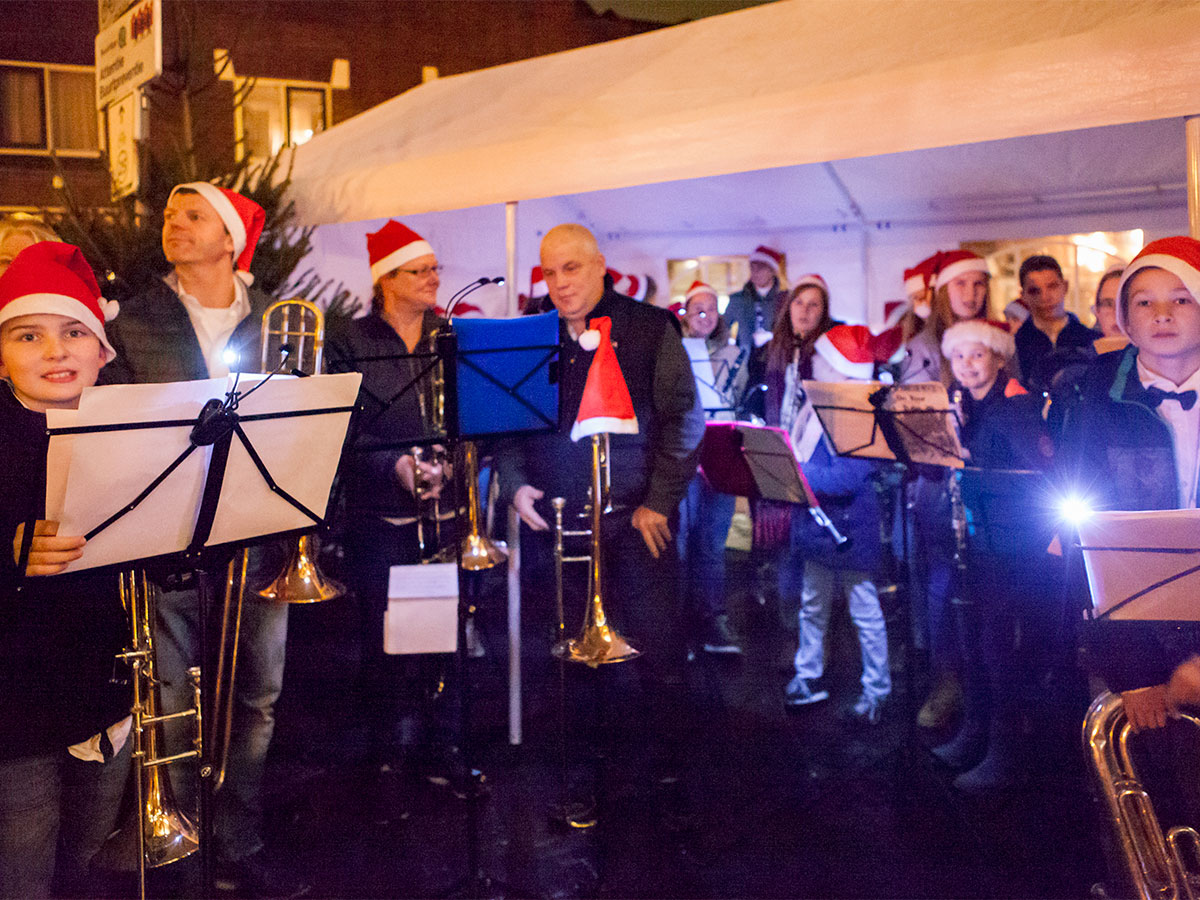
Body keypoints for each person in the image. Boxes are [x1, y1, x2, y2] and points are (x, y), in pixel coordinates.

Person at [98, 182, 298, 895]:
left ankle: (238, 836)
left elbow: (310, 421)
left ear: (229, 239)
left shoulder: (281, 319)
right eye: (169, 215)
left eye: (192, 217)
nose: (172, 226)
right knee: (172, 692)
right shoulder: (134, 320)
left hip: (260, 539)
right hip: (170, 540)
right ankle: (177, 834)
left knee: (257, 697)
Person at [498, 223, 703, 810]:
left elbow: (686, 422)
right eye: (550, 271)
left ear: (599, 266)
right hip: (558, 525)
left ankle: (666, 780)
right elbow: (509, 425)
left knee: (656, 651)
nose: (560, 283)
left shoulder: (648, 326)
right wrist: (514, 487)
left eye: (573, 268)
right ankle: (585, 776)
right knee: (568, 659)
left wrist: (658, 501)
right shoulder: (530, 336)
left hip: (636, 522)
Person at [0, 242, 131, 898]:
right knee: (21, 866)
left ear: (102, 352)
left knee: (86, 859)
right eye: (29, 334)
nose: (56, 351)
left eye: (74, 332)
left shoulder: (134, 431)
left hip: (104, 692)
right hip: (13, 705)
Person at [324, 220, 451, 773]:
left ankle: (436, 741)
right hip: (379, 512)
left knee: (439, 625)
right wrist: (394, 463)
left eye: (433, 268)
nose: (432, 277)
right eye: (418, 270)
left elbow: (467, 410)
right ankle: (386, 750)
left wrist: (447, 458)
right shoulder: (350, 340)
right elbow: (338, 426)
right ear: (386, 280)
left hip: (443, 508)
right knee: (384, 628)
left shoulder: (448, 335)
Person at [932, 320, 1055, 791]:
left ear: (998, 359)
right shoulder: (965, 404)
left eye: (977, 355)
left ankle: (1003, 753)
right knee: (974, 642)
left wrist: (968, 465)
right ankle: (974, 733)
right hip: (981, 540)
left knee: (997, 649)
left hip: (1015, 543)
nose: (966, 366)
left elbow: (1042, 473)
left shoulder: (1016, 406)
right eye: (958, 357)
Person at [772, 324, 892, 724]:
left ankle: (877, 688)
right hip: (818, 526)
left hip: (847, 531)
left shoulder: (854, 413)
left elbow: (848, 477)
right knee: (813, 606)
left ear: (841, 370)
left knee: (864, 610)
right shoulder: (816, 405)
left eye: (823, 359)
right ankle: (809, 674)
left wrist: (796, 474)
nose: (814, 363)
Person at [898, 249, 993, 729]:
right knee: (941, 583)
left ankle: (987, 693)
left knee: (987, 590)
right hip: (937, 483)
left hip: (987, 485)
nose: (971, 294)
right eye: (961, 284)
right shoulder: (923, 346)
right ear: (941, 292)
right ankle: (947, 680)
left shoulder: (997, 337)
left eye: (979, 284)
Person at [678, 280, 745, 655]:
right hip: (686, 452)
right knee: (683, 540)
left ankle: (713, 618)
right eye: (697, 309)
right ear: (686, 313)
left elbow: (737, 399)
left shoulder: (734, 353)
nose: (705, 316)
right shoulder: (674, 350)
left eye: (711, 310)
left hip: (720, 451)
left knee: (713, 542)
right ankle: (681, 621)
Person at [1013, 254, 1100, 394]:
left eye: (1052, 286)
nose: (1045, 297)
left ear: (1065, 286)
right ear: (1023, 296)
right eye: (1035, 291)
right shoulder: (1014, 346)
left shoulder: (1091, 339)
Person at [726, 245, 787, 421]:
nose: (755, 272)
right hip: (746, 361)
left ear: (772, 271)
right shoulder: (738, 299)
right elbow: (723, 328)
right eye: (752, 267)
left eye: (760, 267)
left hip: (775, 361)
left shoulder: (784, 299)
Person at [1091, 263, 1125, 340]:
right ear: (1097, 311)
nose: (1116, 313)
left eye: (1124, 304)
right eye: (1108, 304)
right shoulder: (1077, 351)